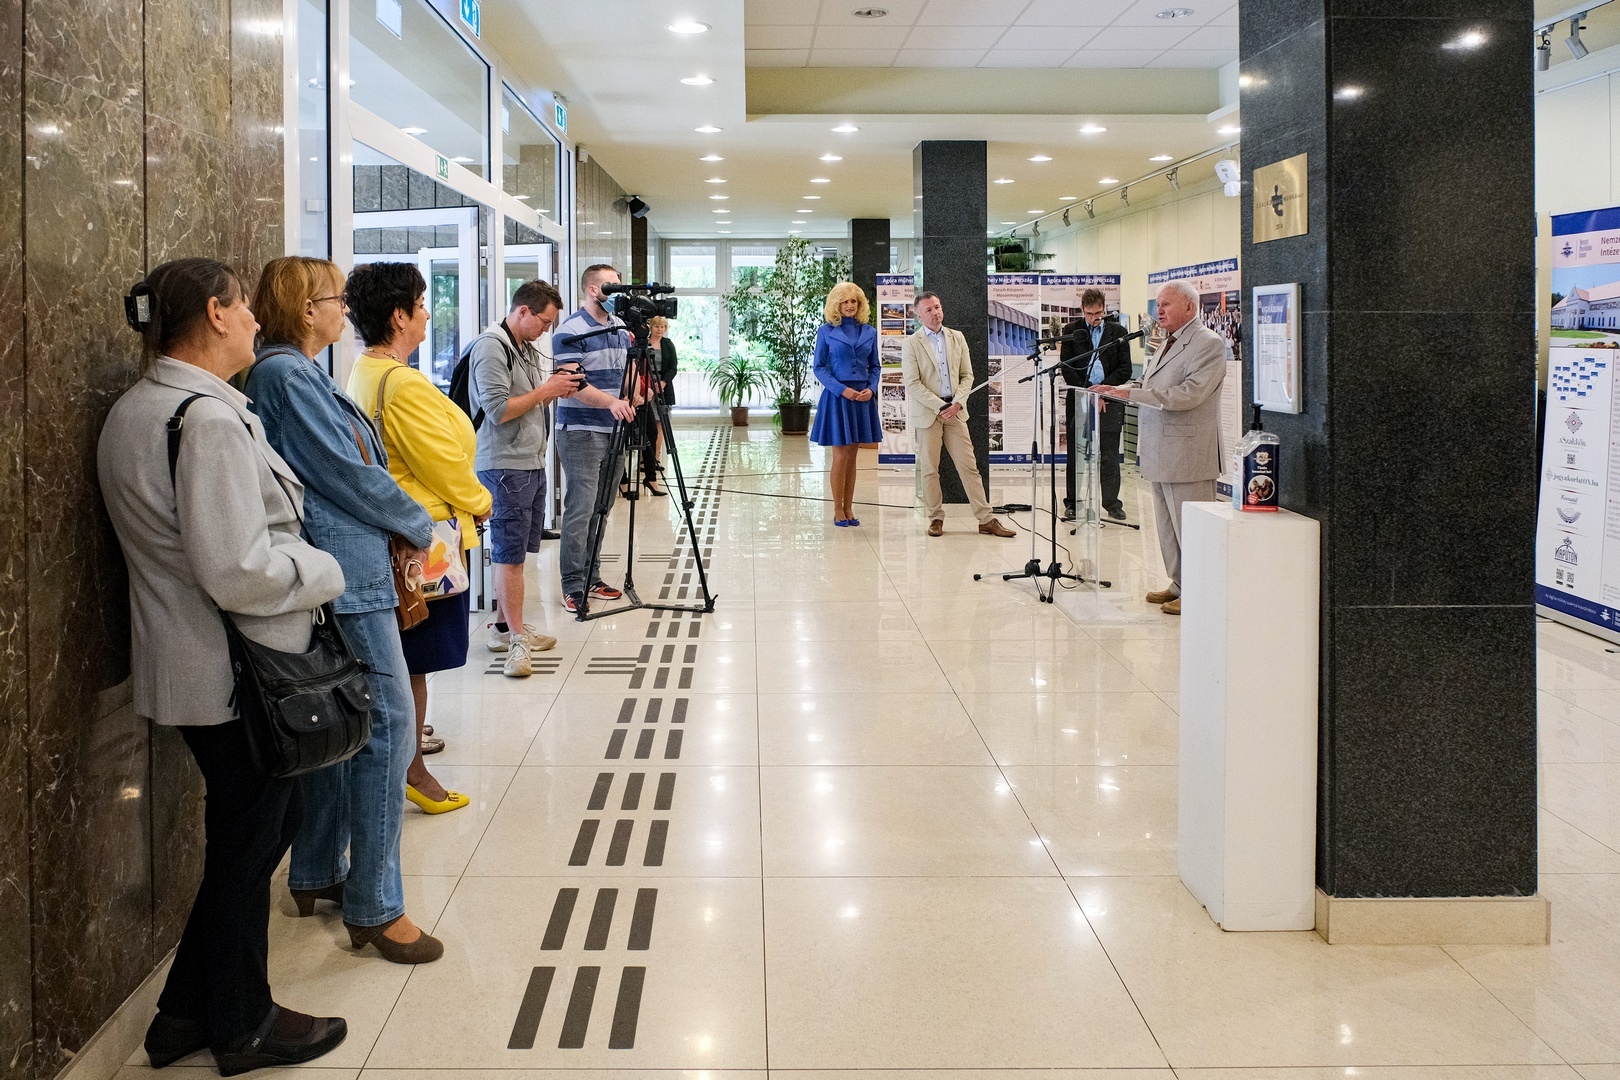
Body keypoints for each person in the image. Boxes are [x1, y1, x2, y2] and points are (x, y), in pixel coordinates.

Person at [98, 257, 349, 1074]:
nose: (253, 322)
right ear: (215, 313)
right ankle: (242, 1024)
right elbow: (237, 568)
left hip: (195, 664)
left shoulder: (145, 407)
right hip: (234, 673)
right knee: (248, 845)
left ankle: (182, 1016)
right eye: (243, 308)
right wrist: (323, 568)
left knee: (261, 828)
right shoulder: (204, 419)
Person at [241, 256, 443, 964]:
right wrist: (418, 522)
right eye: (335, 298)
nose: (345, 309)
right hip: (347, 573)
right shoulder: (285, 375)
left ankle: (318, 868)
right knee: (387, 724)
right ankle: (376, 905)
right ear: (307, 310)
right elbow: (345, 472)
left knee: (344, 719)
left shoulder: (299, 373)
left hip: (348, 567)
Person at [344, 262, 491, 810]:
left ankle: (405, 757)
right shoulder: (402, 384)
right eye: (421, 304)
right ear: (398, 316)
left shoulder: (368, 370)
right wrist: (483, 501)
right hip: (423, 544)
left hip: (397, 536)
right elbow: (444, 465)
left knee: (407, 660)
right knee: (414, 663)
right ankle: (411, 769)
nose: (428, 314)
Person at [469, 279, 582, 677]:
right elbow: (498, 410)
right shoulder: (491, 347)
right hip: (504, 465)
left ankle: (504, 628)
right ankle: (516, 638)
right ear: (522, 311)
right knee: (509, 555)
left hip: (530, 461)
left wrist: (557, 387)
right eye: (544, 322)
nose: (546, 331)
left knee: (519, 552)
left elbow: (531, 399)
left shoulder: (527, 348)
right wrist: (546, 389)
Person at [1093, 280, 1225, 615]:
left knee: (1192, 529)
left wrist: (1132, 394)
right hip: (1160, 449)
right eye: (1158, 304)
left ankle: (1199, 593)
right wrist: (1118, 389)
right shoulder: (1166, 341)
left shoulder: (1208, 343)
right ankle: (1179, 584)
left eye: (1166, 304)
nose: (1159, 311)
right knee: (1168, 527)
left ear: (1189, 307)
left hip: (1188, 454)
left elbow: (1189, 394)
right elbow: (1148, 383)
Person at [552, 264, 638, 615]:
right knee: (581, 509)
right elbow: (573, 384)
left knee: (602, 509)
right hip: (581, 432)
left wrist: (633, 392)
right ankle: (573, 584)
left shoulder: (620, 327)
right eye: (611, 286)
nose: (618, 292)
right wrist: (612, 403)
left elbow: (626, 371)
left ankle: (592, 575)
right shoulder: (569, 331)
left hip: (613, 431)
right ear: (592, 289)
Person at [900, 292, 1015, 538]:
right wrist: (940, 406)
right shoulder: (911, 343)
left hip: (956, 412)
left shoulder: (957, 337)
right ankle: (935, 518)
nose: (935, 312)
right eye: (929, 310)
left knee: (969, 466)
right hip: (929, 414)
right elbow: (912, 383)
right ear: (918, 315)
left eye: (937, 307)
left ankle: (986, 519)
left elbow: (967, 376)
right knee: (930, 469)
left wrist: (958, 403)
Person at [809, 281, 881, 526]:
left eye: (854, 301)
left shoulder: (869, 332)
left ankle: (849, 508)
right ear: (836, 304)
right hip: (838, 398)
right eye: (845, 301)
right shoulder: (825, 331)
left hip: (862, 398)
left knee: (853, 457)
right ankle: (837, 509)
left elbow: (875, 366)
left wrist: (871, 389)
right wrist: (842, 390)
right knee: (840, 456)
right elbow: (819, 367)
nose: (850, 305)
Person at [1059, 288, 1133, 522]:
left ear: (1104, 309)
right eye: (1090, 314)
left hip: (1110, 400)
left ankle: (1112, 503)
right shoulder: (1072, 332)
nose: (1095, 318)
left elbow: (1125, 369)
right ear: (1083, 310)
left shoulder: (1118, 333)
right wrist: (1089, 393)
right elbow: (1067, 368)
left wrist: (1103, 393)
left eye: (1099, 313)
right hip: (1080, 399)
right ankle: (1074, 503)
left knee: (1109, 454)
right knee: (1076, 454)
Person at [640, 314, 678, 497]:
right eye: (657, 326)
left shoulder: (668, 344)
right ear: (651, 327)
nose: (660, 329)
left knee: (660, 424)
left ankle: (655, 458)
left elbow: (673, 367)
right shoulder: (643, 343)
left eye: (663, 327)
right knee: (648, 425)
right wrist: (647, 385)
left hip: (663, 387)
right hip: (644, 387)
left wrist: (662, 383)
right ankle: (645, 460)